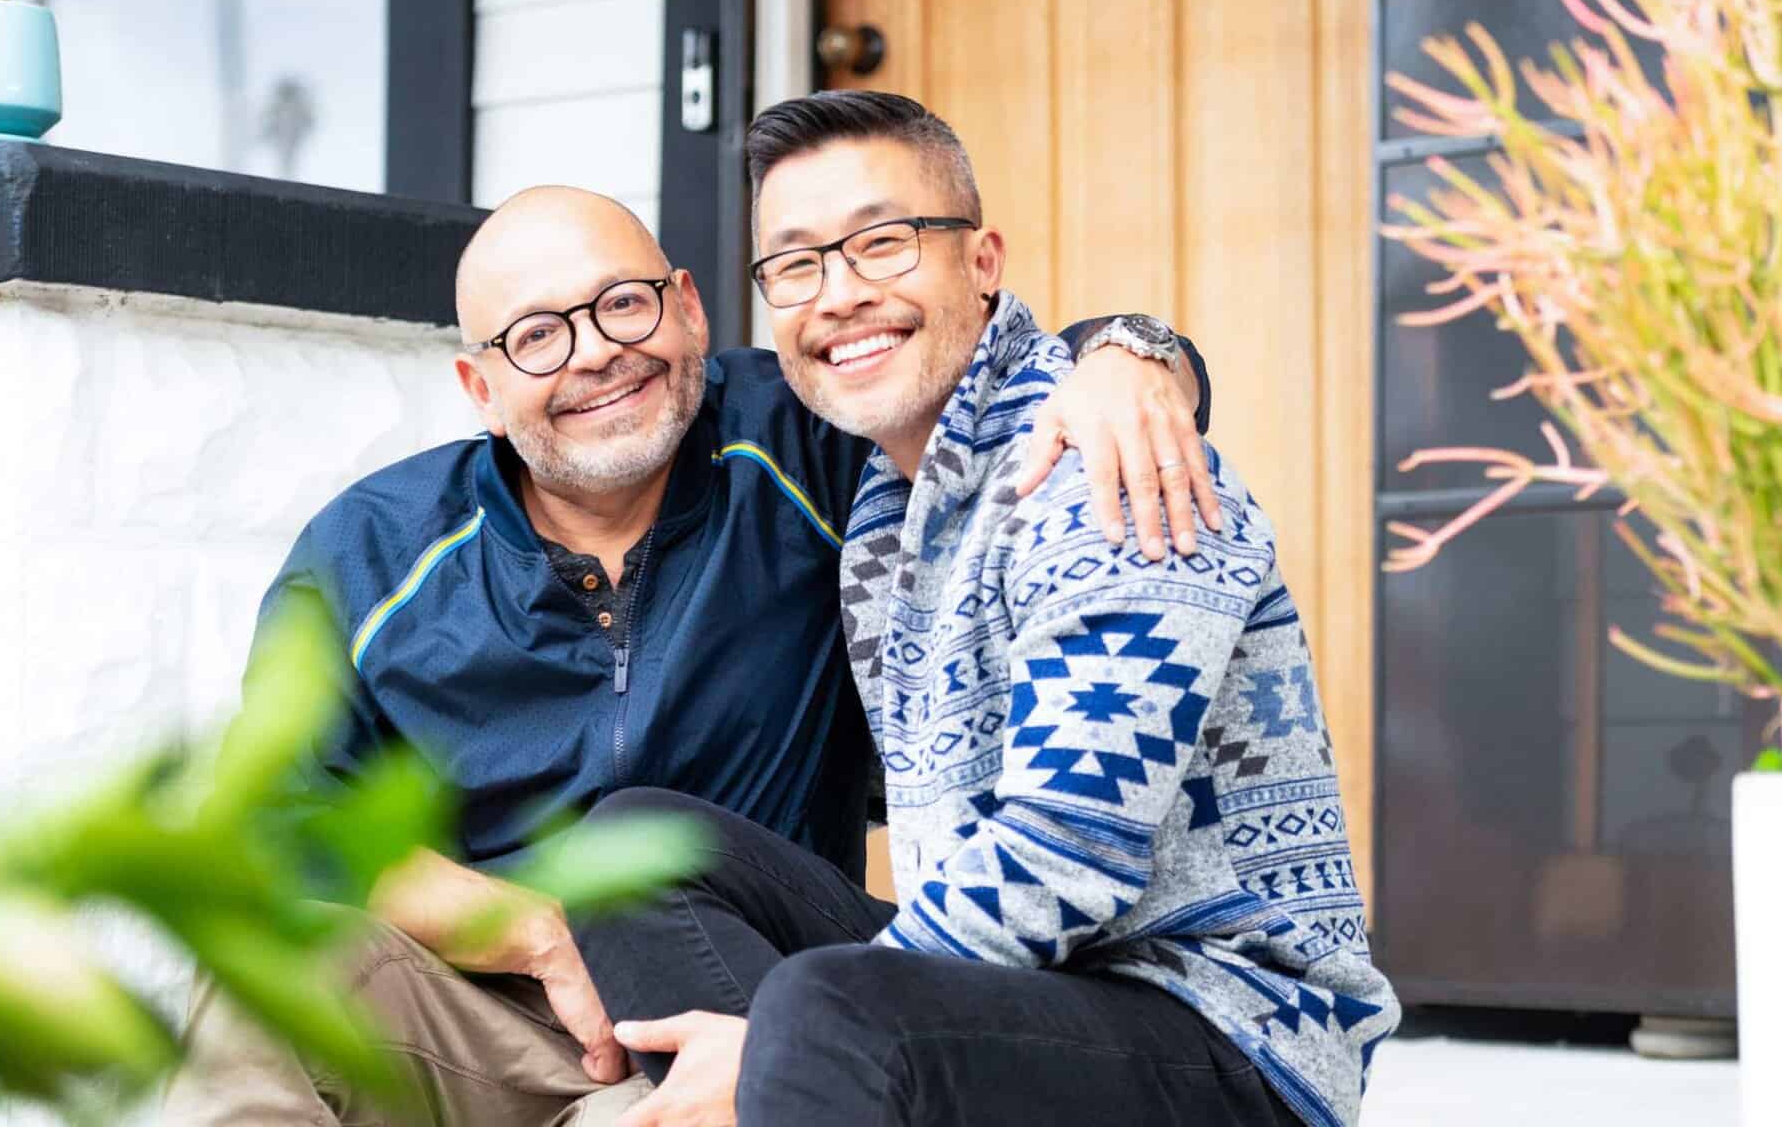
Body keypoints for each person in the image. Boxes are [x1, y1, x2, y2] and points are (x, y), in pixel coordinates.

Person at [161, 183, 1222, 1127]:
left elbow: (992, 383)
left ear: (688, 306)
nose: (593, 353)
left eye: (622, 303)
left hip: (744, 993)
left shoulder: (805, 440)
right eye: (535, 336)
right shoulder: (371, 550)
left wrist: (1130, 357)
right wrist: (528, 931)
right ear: (479, 387)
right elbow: (270, 826)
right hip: (489, 1015)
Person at [571, 92, 1400, 1127]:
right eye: (796, 264)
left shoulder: (1103, 465)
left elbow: (1070, 852)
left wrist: (780, 1039)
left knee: (827, 1006)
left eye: (880, 242)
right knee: (635, 848)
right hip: (1029, 993)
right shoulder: (884, 505)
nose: (837, 293)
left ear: (983, 261)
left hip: (1231, 1032)